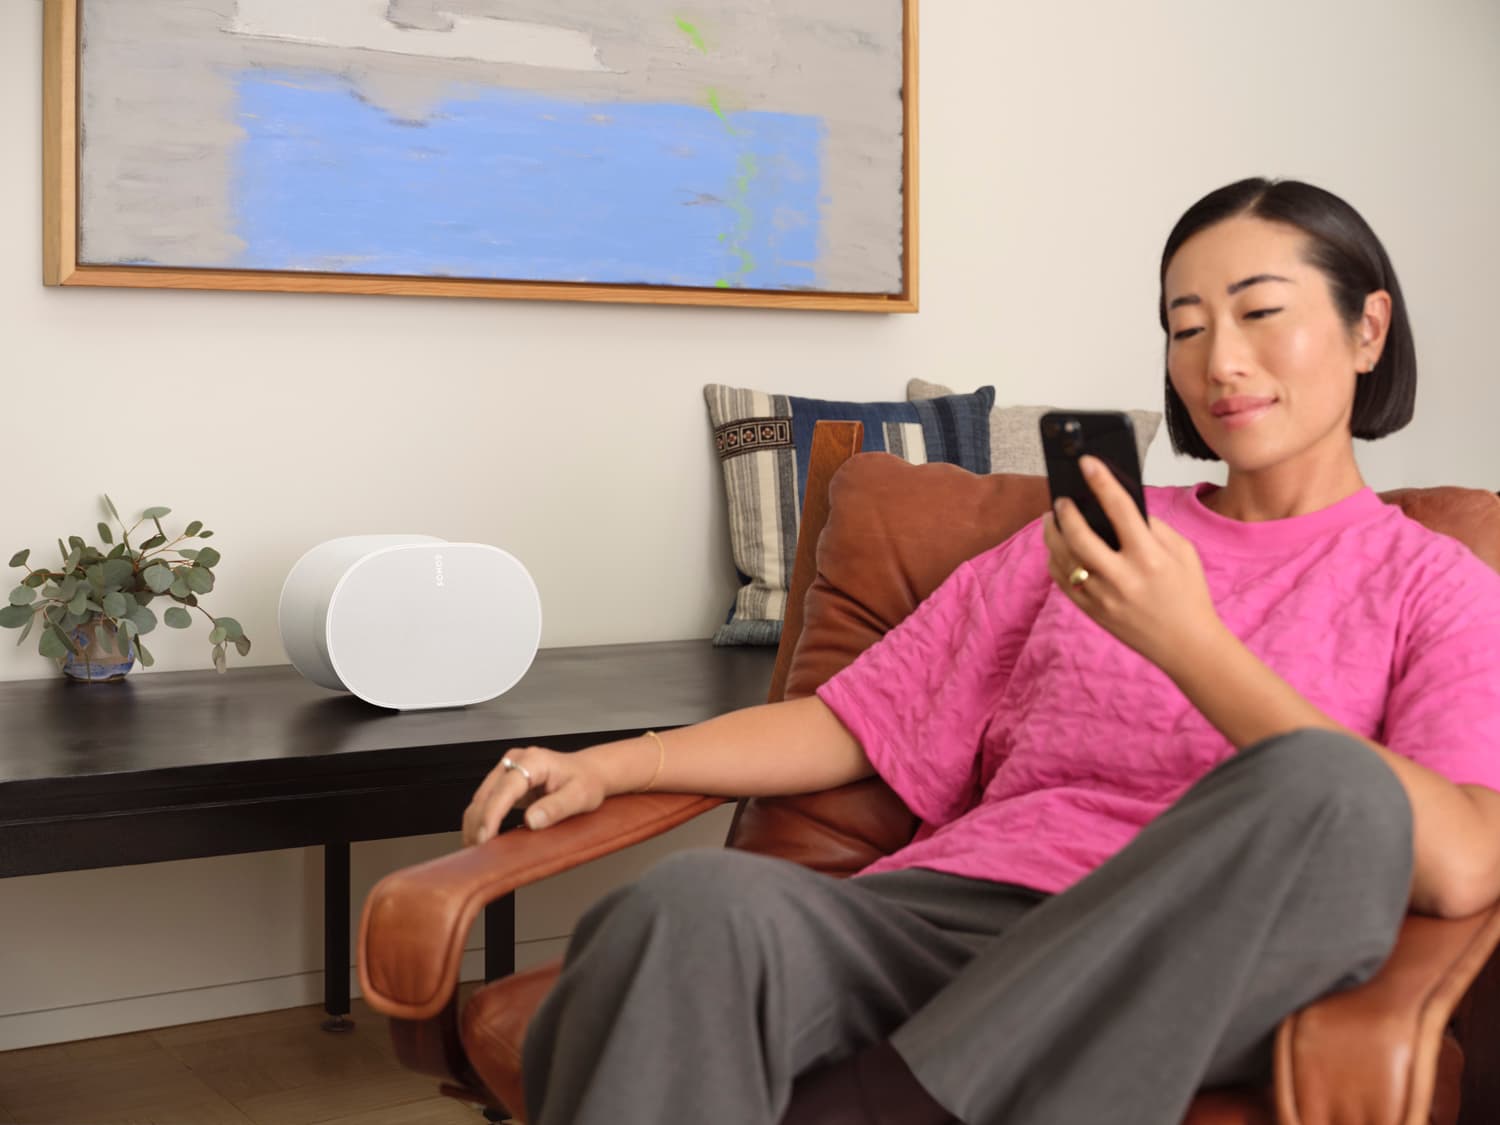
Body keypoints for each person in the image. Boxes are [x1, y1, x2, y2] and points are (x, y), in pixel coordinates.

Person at [461, 178, 1500, 1125]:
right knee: (689, 905)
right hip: (946, 922)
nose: (1219, 360)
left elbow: (1459, 863)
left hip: (1178, 960)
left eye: (1261, 313)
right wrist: (613, 762)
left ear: (1369, 329)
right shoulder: (1092, 536)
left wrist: (1189, 645)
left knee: (1331, 783)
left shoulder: (1438, 585)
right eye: (1186, 328)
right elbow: (852, 720)